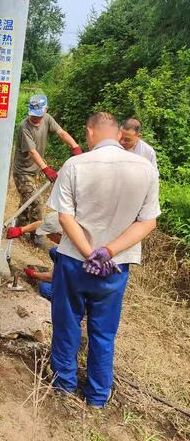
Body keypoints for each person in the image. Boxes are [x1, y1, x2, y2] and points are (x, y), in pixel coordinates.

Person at [47, 112, 160, 408]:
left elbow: (64, 216)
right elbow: (148, 223)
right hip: (115, 266)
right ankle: (98, 395)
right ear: (117, 134)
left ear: (90, 133)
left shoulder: (75, 165)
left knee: (67, 322)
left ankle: (64, 385)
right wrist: (107, 253)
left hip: (74, 262)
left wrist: (88, 252)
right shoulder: (146, 169)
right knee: (103, 332)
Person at [12, 94, 82, 248]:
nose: (36, 119)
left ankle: (17, 228)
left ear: (45, 111)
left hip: (34, 170)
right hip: (22, 171)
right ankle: (36, 235)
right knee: (36, 200)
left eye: (39, 116)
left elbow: (61, 133)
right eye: (33, 116)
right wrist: (46, 169)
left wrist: (74, 146)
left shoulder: (47, 119)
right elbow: (32, 152)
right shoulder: (25, 127)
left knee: (27, 200)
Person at [6, 211, 62, 301]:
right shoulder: (68, 224)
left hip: (84, 285)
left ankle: (81, 304)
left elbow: (51, 278)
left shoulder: (68, 249)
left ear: (59, 234)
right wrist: (21, 230)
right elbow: (41, 224)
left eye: (49, 234)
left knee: (45, 288)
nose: (47, 237)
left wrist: (33, 274)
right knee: (53, 251)